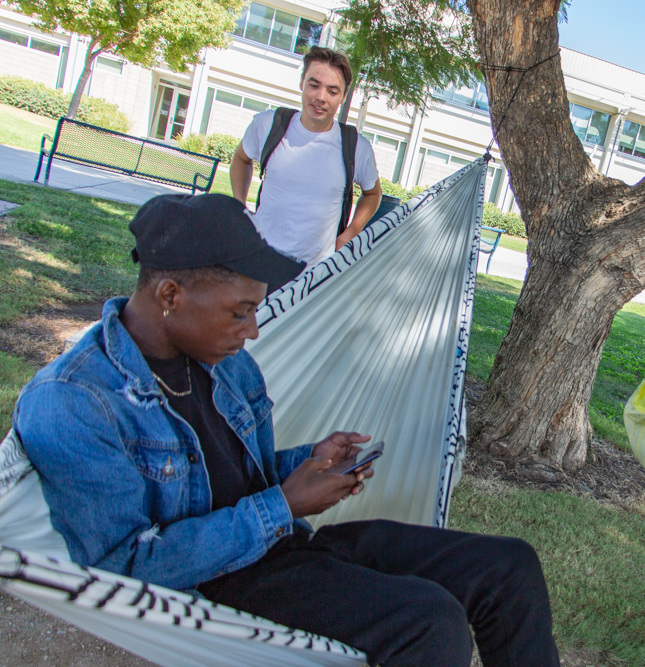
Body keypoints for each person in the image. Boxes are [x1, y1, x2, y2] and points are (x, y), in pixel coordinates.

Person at [13, 194, 560, 667]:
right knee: (431, 621)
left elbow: (233, 472)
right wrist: (284, 504)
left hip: (286, 547)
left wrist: (306, 464)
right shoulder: (75, 401)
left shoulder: (223, 361)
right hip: (214, 588)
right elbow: (124, 567)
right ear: (170, 295)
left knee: (508, 566)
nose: (253, 330)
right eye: (240, 312)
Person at [230, 47, 383, 265]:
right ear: (302, 83)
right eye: (314, 85)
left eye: (332, 91)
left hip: (312, 276)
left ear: (343, 97)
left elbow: (373, 194)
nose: (321, 97)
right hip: (259, 258)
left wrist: (351, 232)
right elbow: (241, 159)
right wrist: (240, 208)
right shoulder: (267, 125)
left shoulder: (357, 147)